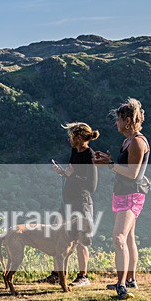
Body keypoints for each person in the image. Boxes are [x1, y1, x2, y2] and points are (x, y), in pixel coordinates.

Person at [93, 98, 151, 300]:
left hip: (131, 196)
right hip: (122, 194)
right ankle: (130, 279)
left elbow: (133, 174)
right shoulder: (128, 141)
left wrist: (110, 165)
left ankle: (121, 285)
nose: (115, 123)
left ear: (127, 121)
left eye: (118, 119)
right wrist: (108, 161)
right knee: (128, 238)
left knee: (118, 237)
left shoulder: (137, 142)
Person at [46, 122, 99, 286]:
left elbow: (92, 186)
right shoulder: (75, 151)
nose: (69, 139)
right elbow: (71, 173)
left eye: (71, 136)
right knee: (57, 232)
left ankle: (83, 276)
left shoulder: (89, 155)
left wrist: (70, 175)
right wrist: (63, 173)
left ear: (78, 137)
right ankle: (57, 274)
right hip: (68, 201)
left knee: (81, 239)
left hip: (81, 202)